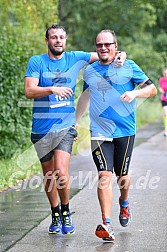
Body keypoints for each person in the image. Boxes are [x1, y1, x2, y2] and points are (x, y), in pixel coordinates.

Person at [24, 24, 126, 235]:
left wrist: (122, 54)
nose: (58, 40)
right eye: (54, 37)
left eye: (61, 37)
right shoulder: (37, 62)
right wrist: (52, 89)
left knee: (61, 172)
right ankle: (55, 212)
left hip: (65, 127)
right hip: (42, 128)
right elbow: (29, 90)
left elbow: (103, 53)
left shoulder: (75, 57)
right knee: (49, 175)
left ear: (65, 40)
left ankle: (66, 211)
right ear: (47, 41)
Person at [76, 29, 157, 241]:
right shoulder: (91, 71)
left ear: (115, 46)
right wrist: (74, 123)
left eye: (107, 44)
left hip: (125, 131)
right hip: (99, 131)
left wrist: (135, 93)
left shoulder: (129, 66)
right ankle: (106, 224)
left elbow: (152, 90)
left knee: (122, 177)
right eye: (99, 44)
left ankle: (125, 203)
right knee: (104, 175)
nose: (103, 48)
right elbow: (85, 98)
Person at [158, 67, 167, 137]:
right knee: (166, 113)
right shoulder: (162, 80)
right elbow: (160, 87)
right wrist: (161, 90)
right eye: (165, 73)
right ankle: (166, 130)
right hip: (164, 99)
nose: (166, 74)